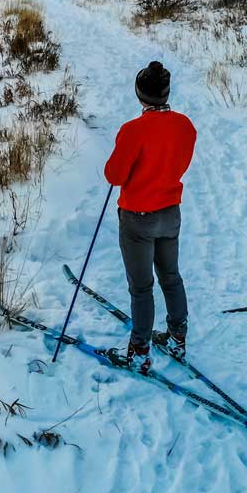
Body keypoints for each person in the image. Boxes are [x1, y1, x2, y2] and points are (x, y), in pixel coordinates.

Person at [104, 61, 196, 374]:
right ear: (166, 93)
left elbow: (115, 175)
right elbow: (179, 163)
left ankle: (139, 352)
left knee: (141, 287)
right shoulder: (185, 126)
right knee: (171, 276)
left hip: (138, 218)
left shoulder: (133, 130)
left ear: (139, 94)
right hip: (170, 213)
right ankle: (177, 338)